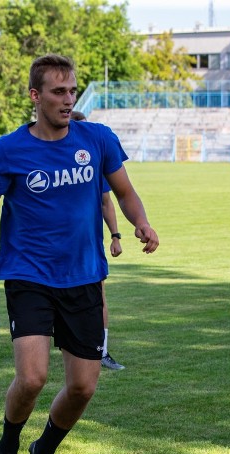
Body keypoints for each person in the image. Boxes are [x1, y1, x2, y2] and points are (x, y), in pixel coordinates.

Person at [0, 54, 159, 454]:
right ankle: (8, 445)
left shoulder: (98, 139)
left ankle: (44, 450)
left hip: (85, 278)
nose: (68, 100)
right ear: (35, 96)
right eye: (58, 92)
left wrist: (140, 223)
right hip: (28, 275)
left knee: (82, 387)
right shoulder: (9, 150)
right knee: (32, 378)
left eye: (72, 90)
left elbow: (125, 192)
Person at [70, 110, 125, 371]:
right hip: (50, 251)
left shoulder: (94, 163)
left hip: (87, 250)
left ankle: (101, 350)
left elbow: (107, 202)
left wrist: (115, 236)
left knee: (99, 298)